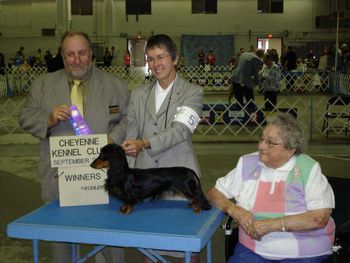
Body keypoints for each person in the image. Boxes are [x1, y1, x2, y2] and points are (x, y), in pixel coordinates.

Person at [19, 31, 129, 263]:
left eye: (81, 53)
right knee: (62, 244)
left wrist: (113, 138)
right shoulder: (42, 84)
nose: (76, 59)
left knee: (109, 240)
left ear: (91, 54)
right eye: (70, 54)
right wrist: (47, 120)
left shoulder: (115, 85)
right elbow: (25, 115)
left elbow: (129, 119)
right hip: (59, 178)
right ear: (62, 55)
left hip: (104, 176)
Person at [207, 112, 335, 263]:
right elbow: (213, 194)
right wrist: (235, 210)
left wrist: (271, 225)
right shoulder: (247, 163)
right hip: (253, 249)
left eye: (270, 143)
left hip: (303, 251)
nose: (261, 146)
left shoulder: (308, 168)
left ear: (291, 149)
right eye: (261, 139)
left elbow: (319, 218)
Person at [120, 34, 203, 263]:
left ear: (175, 58)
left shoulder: (193, 93)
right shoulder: (138, 94)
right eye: (150, 59)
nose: (155, 64)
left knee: (187, 248)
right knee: (150, 247)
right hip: (146, 180)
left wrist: (144, 143)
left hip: (181, 179)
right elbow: (131, 131)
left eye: (160, 57)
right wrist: (125, 161)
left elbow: (181, 131)